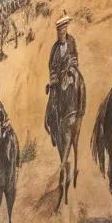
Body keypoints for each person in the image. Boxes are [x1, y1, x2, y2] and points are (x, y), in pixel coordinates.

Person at [46, 15, 79, 144]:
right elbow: (51, 65)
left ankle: (78, 112)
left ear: (65, 29)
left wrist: (72, 69)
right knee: (52, 102)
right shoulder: (54, 48)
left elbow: (75, 57)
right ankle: (53, 127)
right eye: (58, 30)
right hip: (58, 80)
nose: (59, 33)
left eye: (61, 30)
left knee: (78, 88)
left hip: (70, 75)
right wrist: (53, 78)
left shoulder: (71, 41)